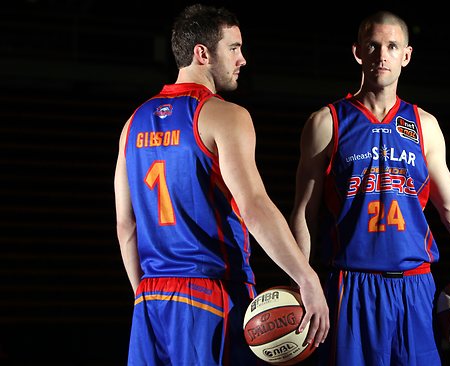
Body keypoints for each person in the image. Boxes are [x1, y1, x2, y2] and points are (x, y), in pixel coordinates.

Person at [290, 10, 450, 366]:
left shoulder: (424, 125)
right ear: (358, 52)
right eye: (374, 45)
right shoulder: (326, 122)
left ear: (406, 56)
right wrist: (301, 281)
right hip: (350, 287)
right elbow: (305, 212)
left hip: (415, 290)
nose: (383, 54)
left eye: (393, 46)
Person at [113, 4, 328, 365]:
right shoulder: (224, 115)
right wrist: (305, 277)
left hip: (150, 300)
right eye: (233, 48)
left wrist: (144, 297)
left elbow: (126, 225)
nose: (242, 59)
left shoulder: (133, 122)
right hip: (210, 294)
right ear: (202, 53)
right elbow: (254, 205)